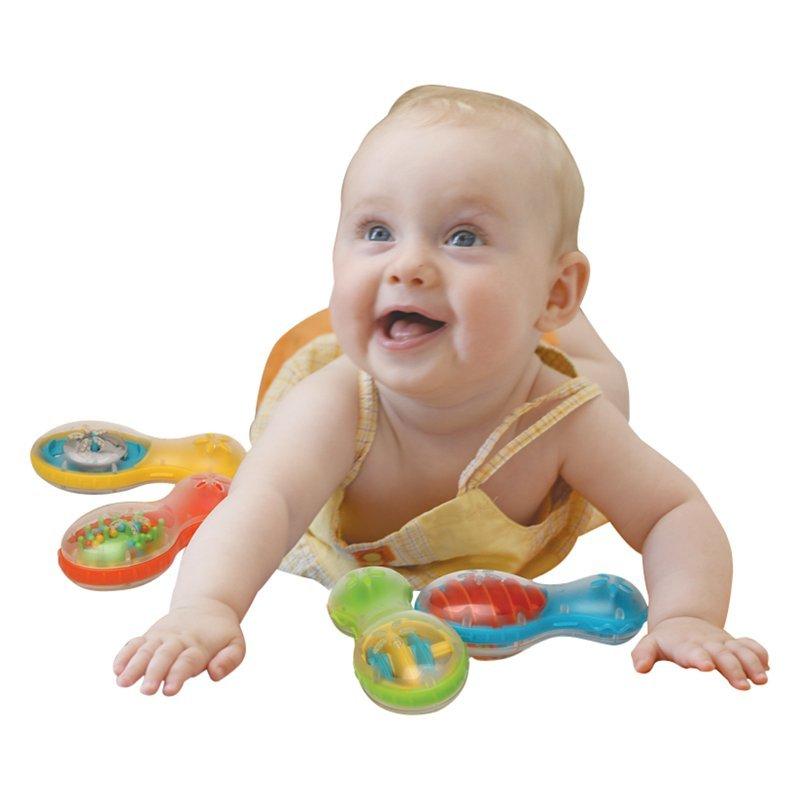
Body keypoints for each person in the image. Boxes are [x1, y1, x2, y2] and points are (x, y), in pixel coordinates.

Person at [113, 85, 769, 696]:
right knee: (274, 450)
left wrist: (688, 615)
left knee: (603, 382)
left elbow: (673, 511)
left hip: (527, 380)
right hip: (372, 406)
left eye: (463, 237)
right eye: (377, 232)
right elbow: (265, 503)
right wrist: (206, 606)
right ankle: (514, 309)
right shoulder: (334, 404)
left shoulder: (565, 420)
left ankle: (549, 316)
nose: (407, 265)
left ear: (558, 289)